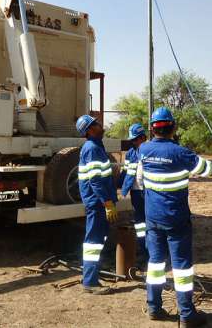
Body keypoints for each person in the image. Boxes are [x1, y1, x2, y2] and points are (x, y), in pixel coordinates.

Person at [138, 107, 212, 327]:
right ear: (173, 127)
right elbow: (209, 168)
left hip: (152, 218)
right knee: (181, 267)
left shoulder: (143, 149)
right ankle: (187, 315)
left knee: (155, 264)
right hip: (176, 220)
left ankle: (154, 308)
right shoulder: (181, 153)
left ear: (152, 128)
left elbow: (141, 180)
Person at [76, 115, 119, 295]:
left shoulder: (97, 146)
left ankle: (90, 275)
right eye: (95, 124)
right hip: (97, 203)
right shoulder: (92, 148)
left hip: (100, 202)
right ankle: (90, 282)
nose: (100, 125)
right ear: (89, 130)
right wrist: (107, 203)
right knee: (93, 242)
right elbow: (95, 180)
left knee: (98, 240)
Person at [120, 123, 148, 264]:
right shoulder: (130, 153)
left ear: (144, 137)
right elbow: (125, 172)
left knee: (151, 221)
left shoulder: (150, 151)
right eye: (132, 140)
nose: (134, 142)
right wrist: (121, 186)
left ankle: (153, 249)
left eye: (136, 139)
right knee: (140, 222)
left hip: (149, 192)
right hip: (136, 193)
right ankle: (143, 249)